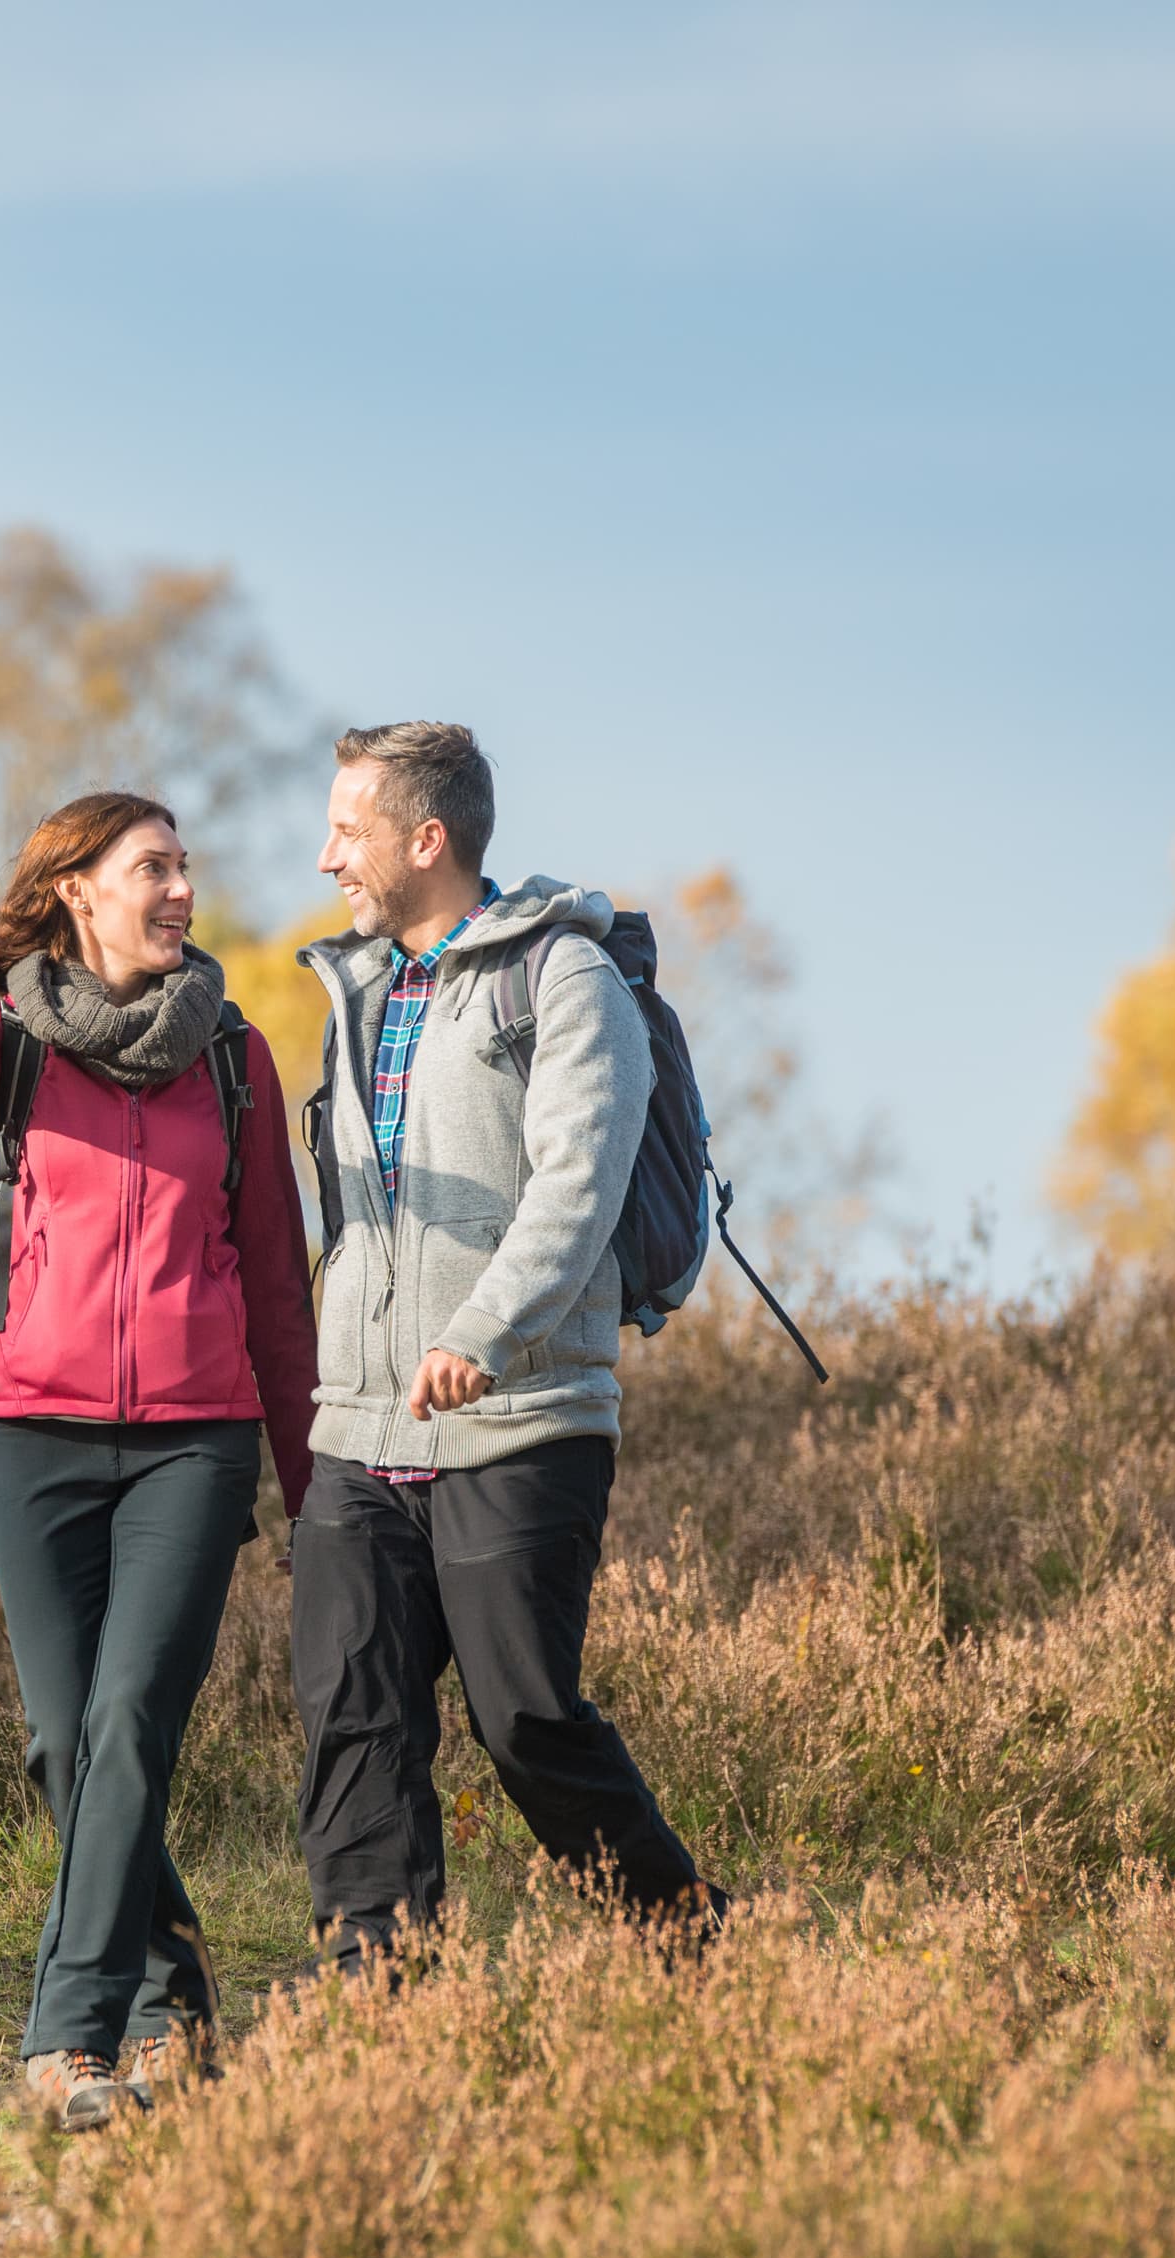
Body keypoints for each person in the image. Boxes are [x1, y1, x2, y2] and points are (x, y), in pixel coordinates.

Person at [0, 793, 317, 2131]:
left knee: (132, 1715)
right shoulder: (17, 1052)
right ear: (78, 892)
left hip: (194, 1447)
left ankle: (70, 2034)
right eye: (153, 867)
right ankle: (174, 1991)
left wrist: (313, 1484)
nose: (181, 890)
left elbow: (276, 1283)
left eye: (186, 867)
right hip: (32, 1432)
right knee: (62, 1741)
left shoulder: (236, 1060)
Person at [289, 721, 718, 1965]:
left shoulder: (566, 979)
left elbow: (575, 1187)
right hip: (362, 1427)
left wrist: (482, 1332)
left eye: (347, 830)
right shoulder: (357, 990)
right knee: (352, 1717)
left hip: (524, 1416)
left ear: (427, 841)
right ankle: (381, 1984)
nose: (327, 858)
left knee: (526, 1716)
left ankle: (690, 1939)